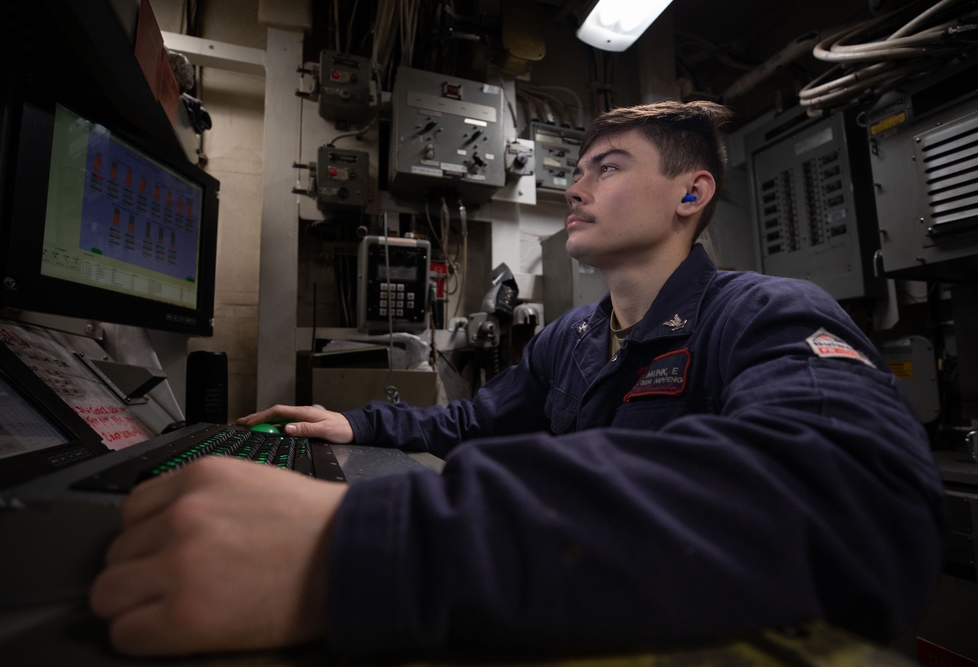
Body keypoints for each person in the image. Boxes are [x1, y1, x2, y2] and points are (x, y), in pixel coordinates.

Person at [89, 100, 945, 658]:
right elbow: (472, 422)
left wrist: (382, 547)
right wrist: (361, 427)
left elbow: (853, 489)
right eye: (578, 170)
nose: (575, 188)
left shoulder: (763, 312)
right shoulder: (574, 335)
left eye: (606, 167)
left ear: (692, 193)